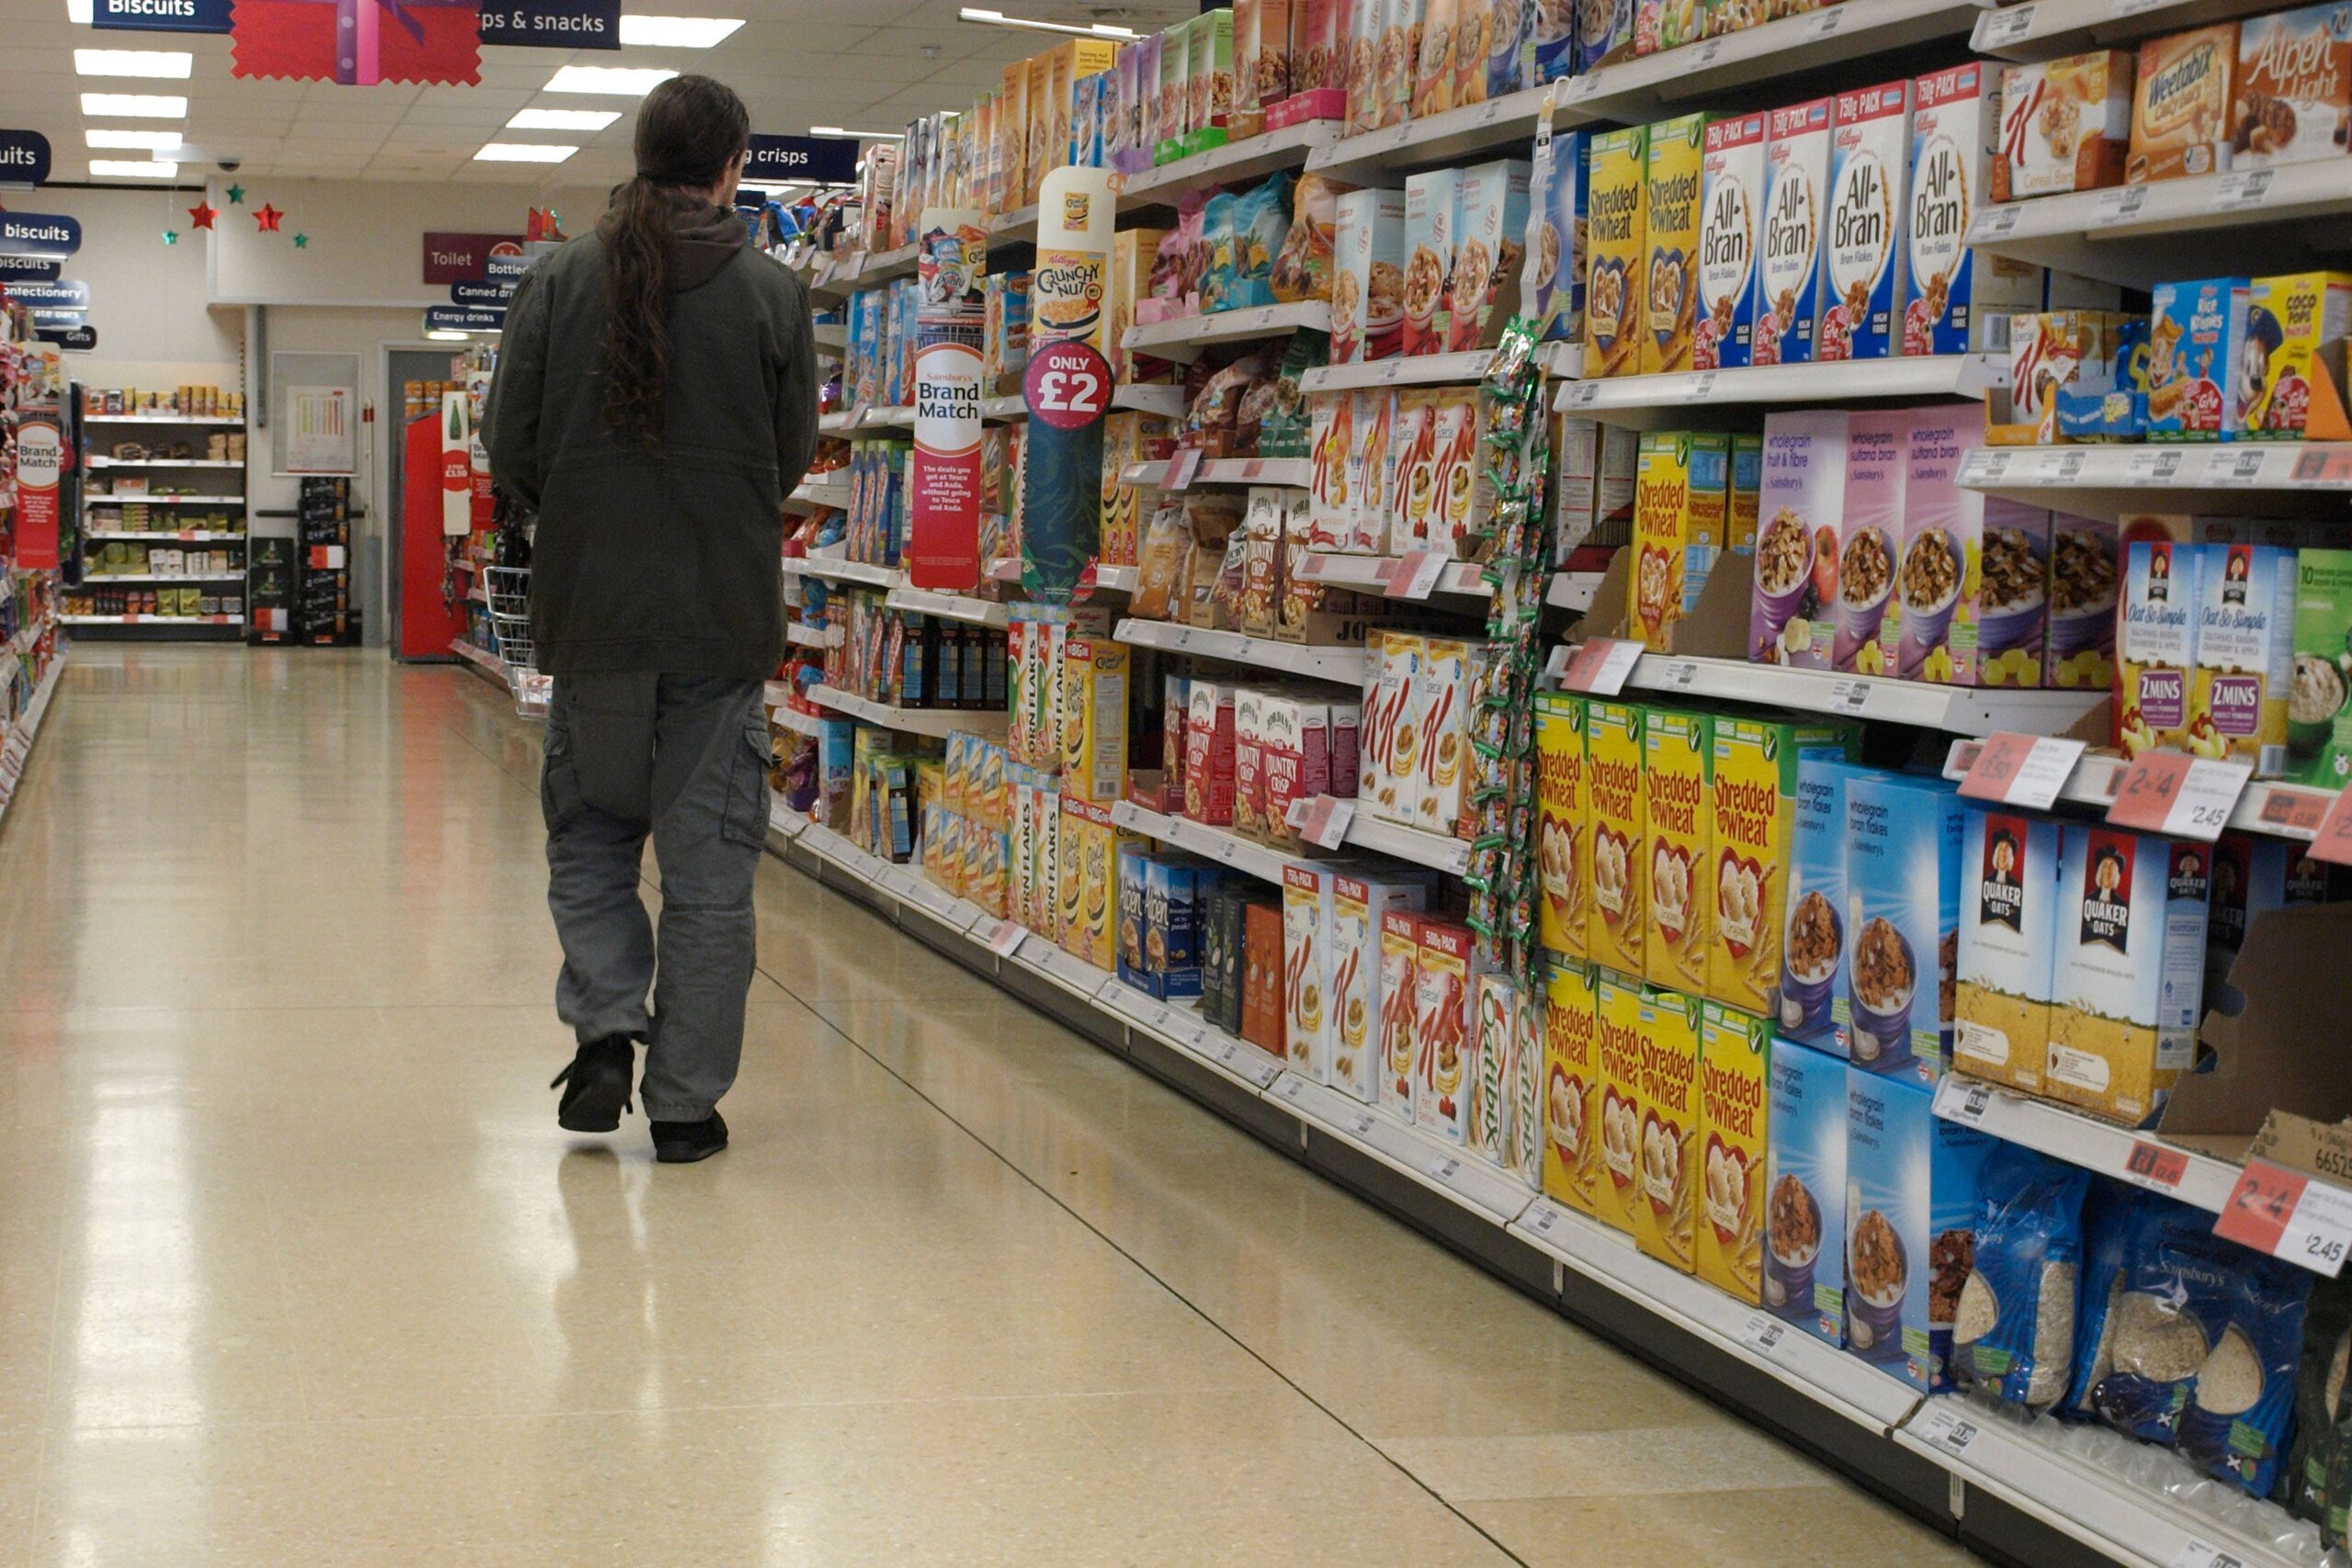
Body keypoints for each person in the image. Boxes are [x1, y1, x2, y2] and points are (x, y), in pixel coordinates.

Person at [484, 73, 816, 1164]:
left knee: (589, 837)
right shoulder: (771, 294)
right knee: (711, 873)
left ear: (639, 155)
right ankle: (683, 1108)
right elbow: (793, 452)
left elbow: (512, 444)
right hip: (721, 626)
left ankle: (605, 1037)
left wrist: (581, 510)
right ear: (730, 167)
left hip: (594, 620)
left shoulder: (560, 280)